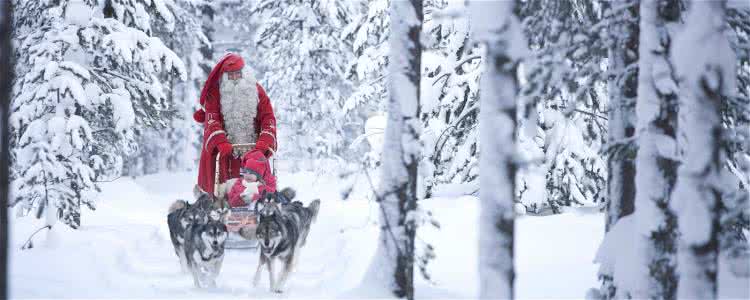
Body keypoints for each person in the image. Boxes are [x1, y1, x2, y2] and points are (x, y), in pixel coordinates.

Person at [195, 53, 277, 197]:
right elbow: (211, 120)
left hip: (253, 151)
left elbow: (268, 117)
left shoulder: (256, 90)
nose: (234, 79)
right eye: (230, 75)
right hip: (225, 153)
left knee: (257, 190)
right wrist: (220, 142)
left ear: (244, 73)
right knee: (223, 193)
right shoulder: (215, 94)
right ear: (224, 77)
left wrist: (264, 141)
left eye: (237, 74)